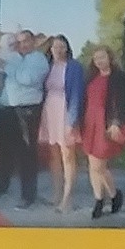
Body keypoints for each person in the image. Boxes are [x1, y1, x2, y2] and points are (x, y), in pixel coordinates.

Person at [80, 42, 125, 220]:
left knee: (99, 165)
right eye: (96, 58)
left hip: (106, 123)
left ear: (110, 57)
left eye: (102, 57)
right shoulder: (90, 77)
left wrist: (116, 122)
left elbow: (122, 103)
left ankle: (112, 195)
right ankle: (102, 199)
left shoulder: (119, 78)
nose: (99, 61)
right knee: (93, 165)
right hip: (90, 123)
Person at [0, 27, 49, 201]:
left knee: (26, 152)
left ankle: (28, 195)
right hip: (6, 108)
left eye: (25, 41)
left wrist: (9, 68)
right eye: (18, 42)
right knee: (4, 150)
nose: (22, 45)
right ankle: (1, 186)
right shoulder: (13, 57)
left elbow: (28, 79)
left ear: (33, 42)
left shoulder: (39, 60)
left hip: (27, 110)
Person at [38, 35, 83, 212]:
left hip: (65, 111)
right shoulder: (47, 66)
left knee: (68, 155)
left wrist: (72, 120)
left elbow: (77, 93)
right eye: (55, 47)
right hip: (49, 111)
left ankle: (67, 198)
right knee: (54, 155)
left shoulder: (74, 67)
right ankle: (56, 194)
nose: (58, 50)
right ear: (50, 49)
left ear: (67, 48)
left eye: (62, 47)